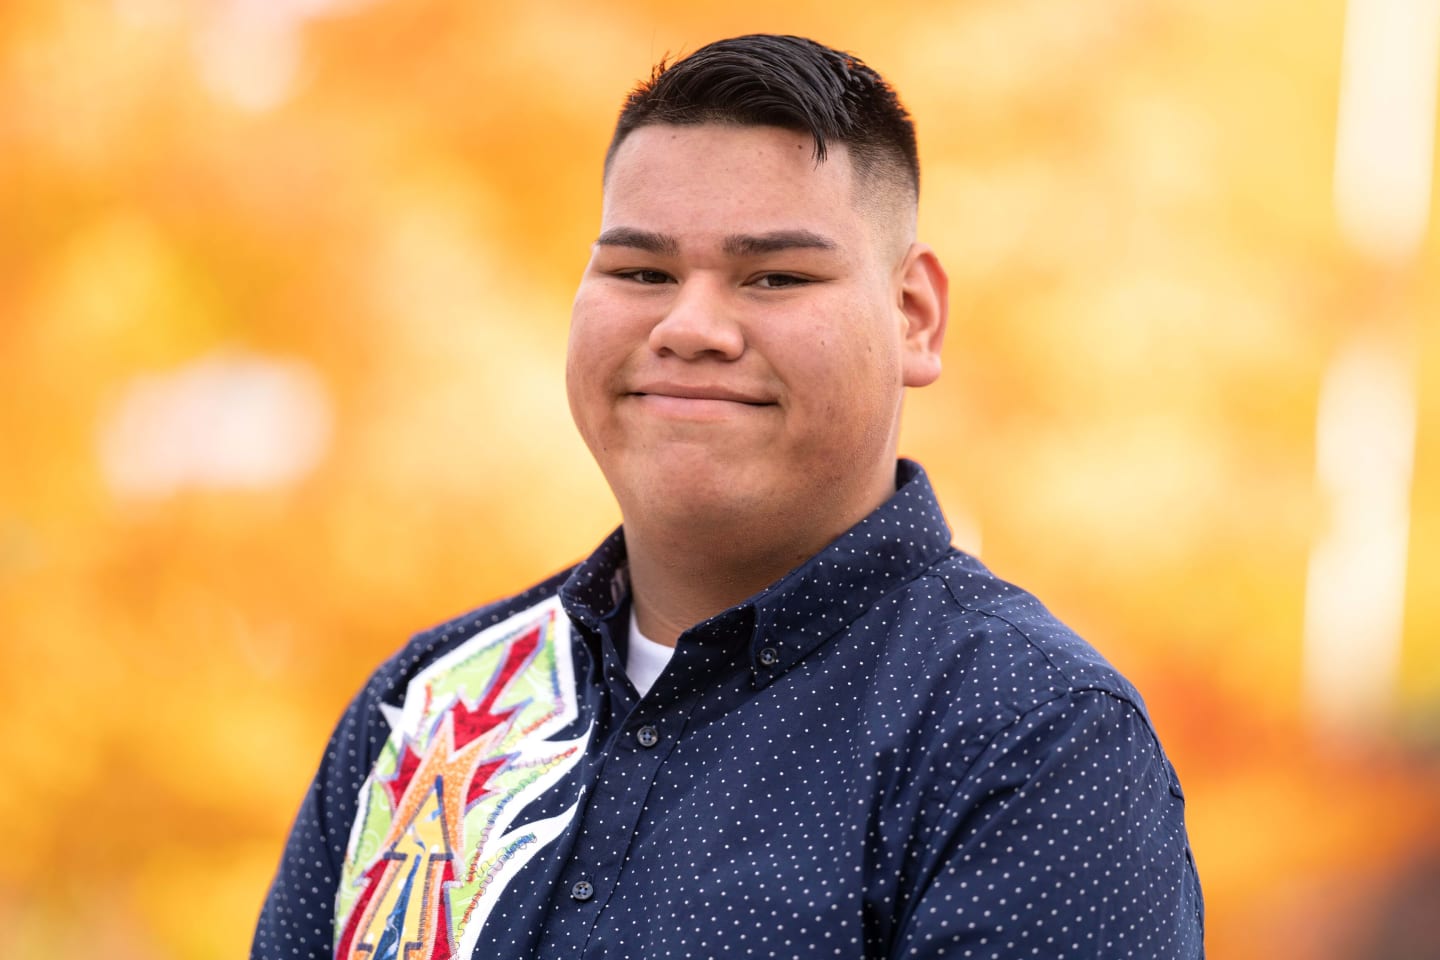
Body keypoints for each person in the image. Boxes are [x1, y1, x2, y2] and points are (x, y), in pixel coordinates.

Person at [252, 33, 1204, 960]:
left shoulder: (1032, 740)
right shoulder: (428, 709)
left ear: (913, 315)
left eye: (775, 276)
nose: (691, 325)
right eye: (641, 272)